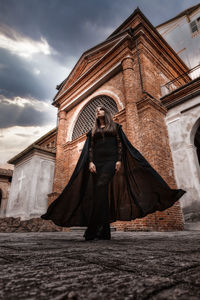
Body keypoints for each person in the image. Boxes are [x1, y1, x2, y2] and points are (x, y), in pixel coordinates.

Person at [41, 105, 186, 241]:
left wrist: (118, 160)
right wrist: (90, 162)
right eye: (96, 110)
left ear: (106, 112)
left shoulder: (115, 127)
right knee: (101, 196)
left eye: (101, 109)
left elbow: (120, 144)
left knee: (100, 191)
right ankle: (104, 232)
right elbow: (90, 148)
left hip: (110, 162)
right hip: (96, 164)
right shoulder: (93, 131)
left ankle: (92, 230)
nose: (98, 111)